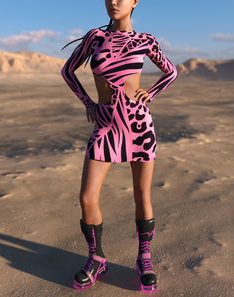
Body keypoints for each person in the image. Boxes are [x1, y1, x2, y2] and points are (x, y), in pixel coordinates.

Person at [60, 0, 177, 293]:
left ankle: (144, 260)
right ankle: (96, 258)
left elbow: (171, 72)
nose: (113, 1)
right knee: (87, 197)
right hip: (105, 125)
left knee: (142, 195)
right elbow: (68, 71)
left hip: (139, 125)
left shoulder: (145, 40)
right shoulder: (95, 38)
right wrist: (88, 102)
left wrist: (149, 93)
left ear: (135, 1)